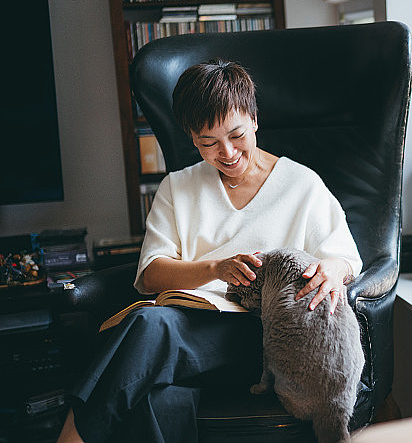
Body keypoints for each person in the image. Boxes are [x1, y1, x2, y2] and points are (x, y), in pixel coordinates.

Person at [58, 59, 362, 442]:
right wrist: (216, 269)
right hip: (188, 327)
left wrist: (334, 269)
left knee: (149, 326)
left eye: (236, 135)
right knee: (156, 395)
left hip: (265, 339)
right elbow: (150, 275)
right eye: (209, 143)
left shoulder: (302, 185)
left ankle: (70, 437)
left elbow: (346, 259)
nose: (228, 152)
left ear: (254, 119)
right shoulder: (177, 188)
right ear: (192, 138)